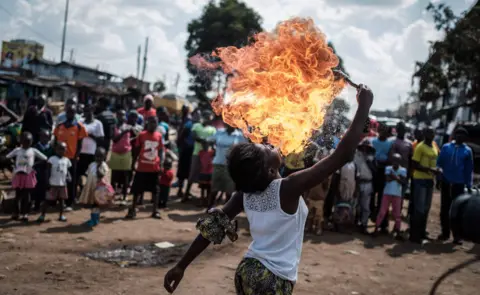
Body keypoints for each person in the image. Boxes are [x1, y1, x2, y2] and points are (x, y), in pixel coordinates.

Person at [163, 84, 373, 294]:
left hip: (248, 271)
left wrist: (181, 266)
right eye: (265, 148)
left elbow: (209, 230)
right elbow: (342, 156)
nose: (268, 144)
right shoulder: (289, 187)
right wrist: (364, 106)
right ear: (270, 170)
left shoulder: (244, 195)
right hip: (272, 279)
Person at [436, 127, 473, 244]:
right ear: (455, 136)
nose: (460, 137)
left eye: (463, 136)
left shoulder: (467, 151)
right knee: (444, 208)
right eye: (458, 135)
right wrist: (438, 179)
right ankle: (445, 232)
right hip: (446, 182)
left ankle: (457, 235)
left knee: (458, 210)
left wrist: (469, 185)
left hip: (459, 184)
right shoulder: (446, 147)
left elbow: (469, 169)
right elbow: (439, 163)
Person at [127, 116, 164, 219]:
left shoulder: (159, 136)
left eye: (155, 123)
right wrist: (133, 163)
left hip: (154, 168)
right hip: (142, 167)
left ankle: (155, 211)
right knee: (137, 190)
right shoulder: (142, 135)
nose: (153, 125)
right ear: (147, 123)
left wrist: (161, 164)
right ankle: (133, 210)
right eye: (151, 123)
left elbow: (160, 151)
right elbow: (137, 150)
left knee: (155, 191)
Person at [53, 104, 88, 211]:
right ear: (65, 113)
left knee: (71, 180)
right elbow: (55, 141)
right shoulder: (59, 126)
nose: (70, 114)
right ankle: (57, 200)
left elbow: (80, 144)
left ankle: (70, 202)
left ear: (75, 113)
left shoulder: (79, 126)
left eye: (72, 112)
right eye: (68, 112)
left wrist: (76, 156)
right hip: (59, 158)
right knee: (58, 178)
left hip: (72, 158)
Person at [7, 132, 48, 221]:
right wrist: (13, 164)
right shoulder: (17, 150)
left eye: (28, 142)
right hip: (18, 175)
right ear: (20, 141)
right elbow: (7, 157)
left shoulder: (33, 150)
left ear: (32, 142)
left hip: (28, 175)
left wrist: (34, 165)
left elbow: (45, 158)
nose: (26, 143)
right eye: (24, 141)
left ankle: (25, 214)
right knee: (17, 195)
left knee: (27, 195)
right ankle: (16, 213)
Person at [410, 127, 440, 244]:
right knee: (419, 209)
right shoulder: (420, 147)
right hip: (420, 179)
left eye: (432, 132)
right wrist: (430, 169)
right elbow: (415, 164)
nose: (431, 135)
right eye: (428, 132)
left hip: (430, 180)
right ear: (424, 134)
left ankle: (422, 233)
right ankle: (414, 235)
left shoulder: (434, 146)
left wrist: (437, 170)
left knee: (426, 209)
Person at [207, 125, 245, 208]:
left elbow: (244, 148)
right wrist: (213, 146)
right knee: (214, 188)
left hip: (230, 166)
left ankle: (227, 210)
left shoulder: (240, 135)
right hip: (218, 163)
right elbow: (209, 140)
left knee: (229, 190)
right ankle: (210, 206)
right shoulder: (220, 132)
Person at [183, 111, 216, 201]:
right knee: (193, 173)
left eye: (209, 116)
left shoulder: (212, 129)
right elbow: (194, 136)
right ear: (203, 117)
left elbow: (214, 141)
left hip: (208, 155)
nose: (207, 118)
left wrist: (207, 142)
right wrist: (204, 140)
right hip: (197, 153)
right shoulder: (197, 126)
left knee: (206, 175)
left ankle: (205, 198)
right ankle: (186, 194)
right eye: (206, 116)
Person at [374, 153, 407, 239]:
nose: (395, 162)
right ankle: (376, 228)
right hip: (387, 193)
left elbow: (402, 182)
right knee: (382, 212)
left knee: (397, 214)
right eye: (394, 160)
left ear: (399, 161)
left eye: (397, 161)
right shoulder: (388, 168)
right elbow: (387, 179)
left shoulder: (403, 170)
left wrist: (393, 176)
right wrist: (397, 178)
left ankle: (398, 231)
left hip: (397, 194)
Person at [37, 142, 71, 222]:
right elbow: (47, 171)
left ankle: (61, 215)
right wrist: (47, 182)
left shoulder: (67, 160)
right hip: (53, 184)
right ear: (56, 150)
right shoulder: (52, 159)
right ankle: (42, 215)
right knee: (47, 200)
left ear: (66, 150)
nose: (61, 151)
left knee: (62, 201)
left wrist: (69, 176)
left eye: (63, 149)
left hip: (62, 184)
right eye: (59, 149)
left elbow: (67, 170)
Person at [110, 110, 140, 201]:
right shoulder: (113, 127)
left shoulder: (129, 126)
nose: (121, 117)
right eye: (119, 115)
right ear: (117, 116)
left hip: (126, 153)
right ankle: (111, 195)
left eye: (123, 115)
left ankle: (124, 196)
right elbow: (114, 139)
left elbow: (137, 136)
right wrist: (123, 132)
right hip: (115, 153)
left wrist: (131, 137)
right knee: (114, 175)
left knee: (126, 175)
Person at [79, 147, 113, 227]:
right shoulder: (91, 164)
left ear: (104, 157)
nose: (98, 158)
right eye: (97, 156)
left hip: (99, 190)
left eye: (101, 157)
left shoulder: (104, 165)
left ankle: (94, 220)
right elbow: (88, 174)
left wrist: (98, 168)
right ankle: (95, 219)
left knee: (96, 205)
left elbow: (102, 175)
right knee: (93, 205)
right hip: (91, 188)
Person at [371, 124, 393, 232]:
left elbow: (390, 158)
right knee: (371, 194)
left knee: (382, 198)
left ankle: (382, 222)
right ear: (378, 130)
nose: (383, 132)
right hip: (373, 170)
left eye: (385, 130)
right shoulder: (372, 141)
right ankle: (370, 215)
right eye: (381, 130)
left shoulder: (389, 143)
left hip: (383, 171)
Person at [304, 146, 330, 235]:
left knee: (319, 215)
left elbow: (326, 187)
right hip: (311, 197)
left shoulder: (324, 176)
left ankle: (318, 228)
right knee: (309, 214)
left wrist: (324, 197)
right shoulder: (310, 174)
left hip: (319, 198)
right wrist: (306, 196)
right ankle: (309, 227)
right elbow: (307, 187)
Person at [78, 104, 104, 191]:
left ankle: (90, 190)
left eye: (88, 111)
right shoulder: (80, 122)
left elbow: (101, 140)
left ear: (92, 111)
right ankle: (82, 189)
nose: (86, 113)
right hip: (80, 152)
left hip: (92, 153)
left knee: (91, 173)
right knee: (79, 173)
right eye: (85, 111)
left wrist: (91, 135)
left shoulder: (98, 123)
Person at [354, 139, 376, 234]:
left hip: (368, 183)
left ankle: (364, 224)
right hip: (358, 183)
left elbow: (375, 172)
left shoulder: (372, 158)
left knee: (365, 206)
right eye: (363, 147)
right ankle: (355, 223)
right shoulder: (356, 156)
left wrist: (369, 161)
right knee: (356, 205)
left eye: (367, 147)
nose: (365, 149)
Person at [175, 110, 197, 197]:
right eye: (196, 115)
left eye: (199, 115)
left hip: (193, 151)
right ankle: (180, 190)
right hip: (185, 150)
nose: (198, 117)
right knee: (182, 171)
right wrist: (181, 148)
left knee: (189, 172)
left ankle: (187, 191)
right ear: (193, 115)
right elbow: (180, 137)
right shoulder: (189, 124)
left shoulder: (198, 126)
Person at [332, 158, 358, 231]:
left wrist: (356, 190)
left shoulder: (354, 165)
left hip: (351, 187)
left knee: (350, 208)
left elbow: (356, 178)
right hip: (341, 186)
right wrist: (337, 191)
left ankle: (348, 226)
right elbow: (336, 177)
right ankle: (337, 225)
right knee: (338, 208)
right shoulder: (340, 164)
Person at [32, 129, 55, 211]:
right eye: (42, 136)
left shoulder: (52, 149)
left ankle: (48, 204)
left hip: (47, 171)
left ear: (49, 138)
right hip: (37, 171)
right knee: (37, 187)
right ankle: (36, 204)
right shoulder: (35, 147)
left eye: (46, 137)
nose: (44, 138)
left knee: (47, 188)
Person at [198, 142, 214, 207]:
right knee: (202, 188)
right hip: (203, 172)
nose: (205, 146)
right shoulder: (201, 152)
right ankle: (202, 201)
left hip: (209, 173)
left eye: (206, 144)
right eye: (203, 144)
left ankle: (207, 201)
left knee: (208, 188)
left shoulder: (211, 152)